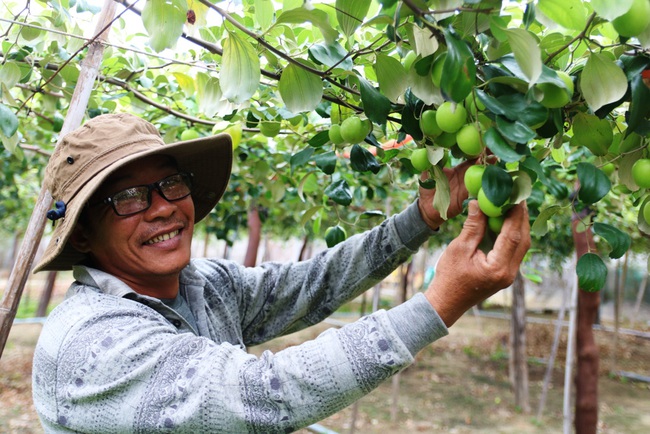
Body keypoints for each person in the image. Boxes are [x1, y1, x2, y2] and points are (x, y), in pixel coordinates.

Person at [31, 113, 530, 433]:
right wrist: (438, 303)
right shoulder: (87, 342)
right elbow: (260, 393)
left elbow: (314, 284)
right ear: (79, 234)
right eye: (129, 197)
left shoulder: (206, 286)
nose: (162, 208)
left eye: (170, 184)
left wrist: (419, 218)